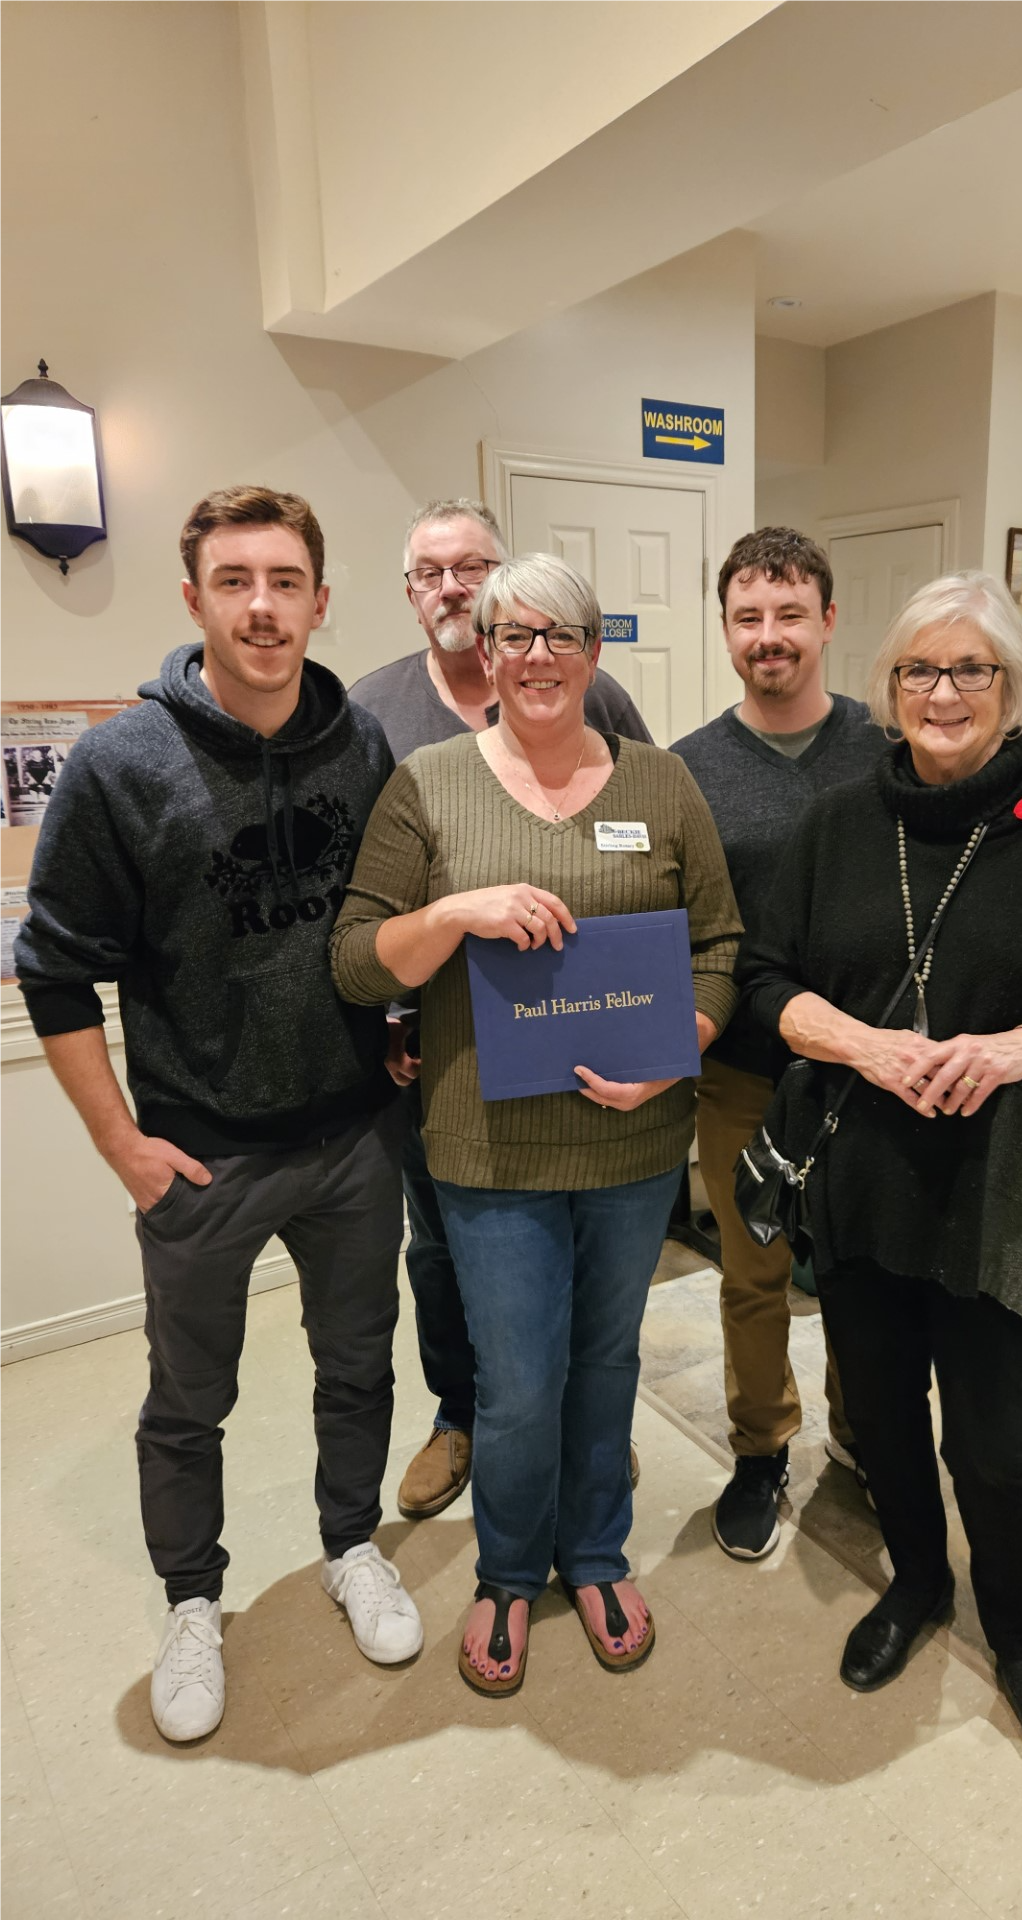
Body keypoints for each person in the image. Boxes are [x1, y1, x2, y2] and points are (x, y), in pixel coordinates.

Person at [740, 572, 1022, 1794]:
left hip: (1008, 1187)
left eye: (970, 670)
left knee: (998, 1439)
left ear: (1012, 688)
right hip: (864, 1177)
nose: (943, 693)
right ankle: (920, 1588)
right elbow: (765, 981)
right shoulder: (837, 823)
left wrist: (1014, 1050)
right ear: (888, 688)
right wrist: (866, 1046)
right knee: (882, 1417)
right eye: (919, 671)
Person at [15, 486, 423, 1746]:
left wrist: (398, 1033)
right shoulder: (121, 764)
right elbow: (53, 970)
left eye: (284, 581)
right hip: (200, 1155)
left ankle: (351, 1547)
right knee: (188, 1403)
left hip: (354, 1138)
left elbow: (387, 925)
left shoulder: (361, 745)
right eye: (235, 582)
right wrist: (121, 1145)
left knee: (359, 1368)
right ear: (194, 599)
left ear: (319, 599)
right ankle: (194, 1603)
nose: (261, 607)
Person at [332, 551, 741, 1697]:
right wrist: (456, 913)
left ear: (595, 652)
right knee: (516, 1382)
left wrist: (677, 1048)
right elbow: (358, 961)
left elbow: (719, 946)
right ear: (486, 651)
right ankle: (510, 1573)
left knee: (607, 1363)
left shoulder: (662, 784)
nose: (538, 656)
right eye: (514, 634)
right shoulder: (429, 786)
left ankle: (596, 1555)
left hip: (635, 1149)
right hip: (489, 1148)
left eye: (561, 634)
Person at [349, 498, 653, 1522]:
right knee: (444, 1249)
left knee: (582, 1243)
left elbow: (649, 837)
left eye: (472, 566)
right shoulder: (374, 713)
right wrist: (387, 1018)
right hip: (437, 1054)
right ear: (411, 593)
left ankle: (584, 1423)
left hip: (584, 1037)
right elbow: (366, 897)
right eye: (430, 571)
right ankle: (462, 1415)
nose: (452, 586)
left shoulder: (600, 694)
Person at [671, 527, 885, 1559]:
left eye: (790, 614)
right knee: (753, 1272)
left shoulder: (889, 750)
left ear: (828, 621)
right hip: (741, 1070)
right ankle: (761, 1451)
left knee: (859, 1274)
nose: (770, 636)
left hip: (868, 1074)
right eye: (749, 617)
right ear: (725, 630)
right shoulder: (689, 769)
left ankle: (863, 1437)